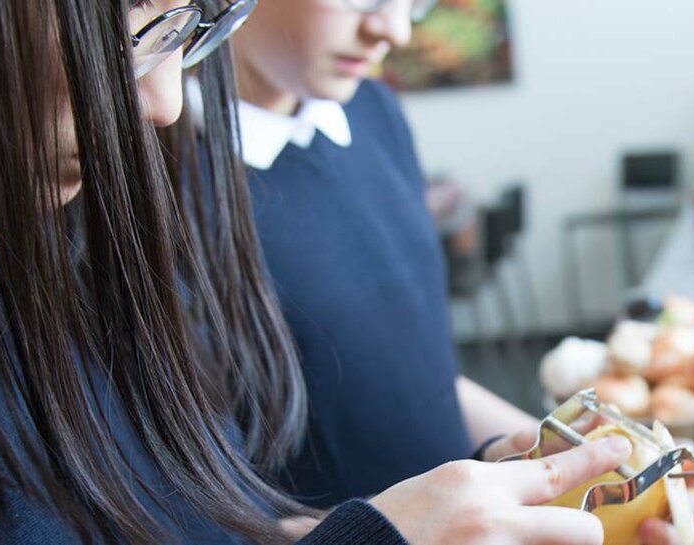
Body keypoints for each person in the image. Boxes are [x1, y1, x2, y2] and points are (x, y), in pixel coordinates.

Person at [0, 1, 694, 543]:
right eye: (135, 31)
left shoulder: (41, 239)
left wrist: (480, 506)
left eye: (193, 30)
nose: (167, 107)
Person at [227, 0, 553, 509]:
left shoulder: (374, 113)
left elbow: (417, 375)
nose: (395, 31)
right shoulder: (156, 189)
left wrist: (560, 455)